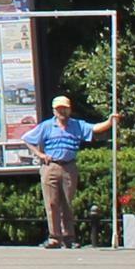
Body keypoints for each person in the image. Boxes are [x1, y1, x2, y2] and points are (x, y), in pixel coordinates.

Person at [31, 95, 116, 248]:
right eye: (59, 109)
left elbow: (94, 128)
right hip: (51, 166)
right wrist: (40, 155)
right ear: (54, 110)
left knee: (67, 203)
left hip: (69, 166)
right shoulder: (46, 126)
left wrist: (110, 122)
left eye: (65, 108)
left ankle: (68, 237)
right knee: (52, 203)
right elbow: (28, 139)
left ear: (69, 109)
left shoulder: (77, 125)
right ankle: (54, 237)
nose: (62, 111)